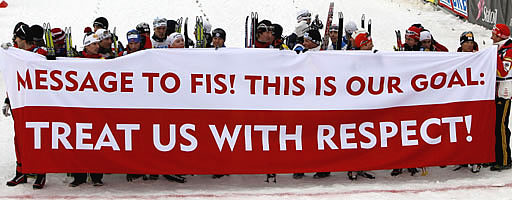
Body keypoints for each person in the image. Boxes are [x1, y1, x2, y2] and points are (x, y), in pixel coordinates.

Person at [4, 23, 50, 189]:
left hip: (38, 102)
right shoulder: (15, 54)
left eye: (16, 37)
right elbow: (12, 78)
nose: (14, 40)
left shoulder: (40, 53)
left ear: (23, 39)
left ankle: (40, 173)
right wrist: (8, 100)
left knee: (38, 137)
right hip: (21, 102)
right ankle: (21, 171)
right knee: (20, 138)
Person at [69, 33, 105, 187]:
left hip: (98, 108)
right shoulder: (77, 61)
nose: (97, 46)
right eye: (93, 44)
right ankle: (79, 176)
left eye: (98, 44)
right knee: (79, 143)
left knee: (99, 143)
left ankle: (97, 176)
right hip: (80, 108)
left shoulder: (104, 61)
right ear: (86, 46)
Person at [490, 24, 512, 172]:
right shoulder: (499, 48)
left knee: (501, 127)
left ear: (500, 36)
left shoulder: (509, 50)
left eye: (494, 34)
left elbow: (502, 71)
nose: (491, 37)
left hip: (504, 92)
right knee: (495, 126)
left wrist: (493, 55)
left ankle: (504, 159)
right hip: (495, 90)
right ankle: (497, 156)